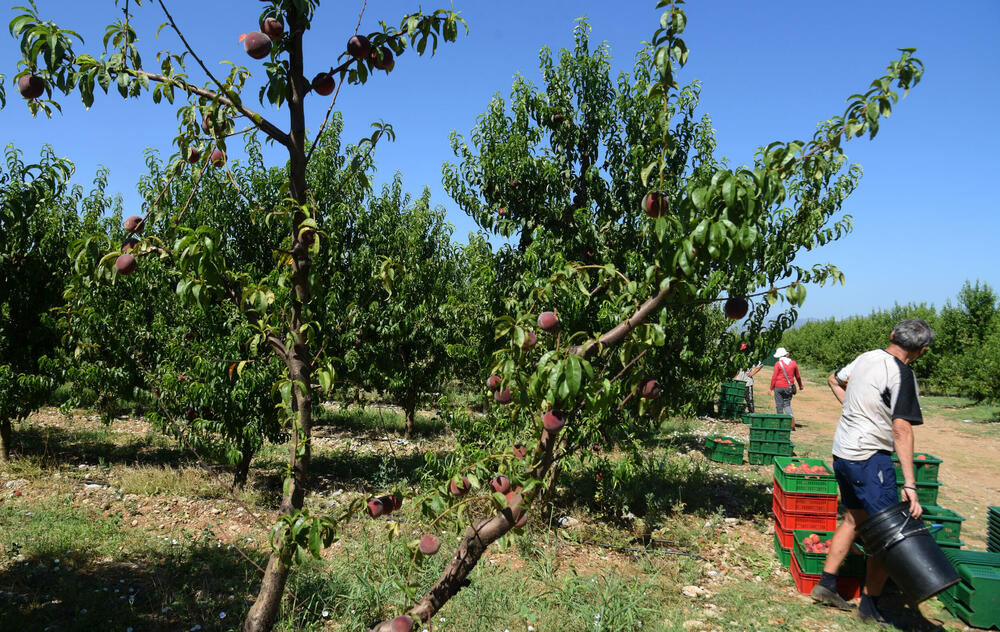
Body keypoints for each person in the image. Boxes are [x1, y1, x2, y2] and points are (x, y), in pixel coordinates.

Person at [809, 318, 933, 625]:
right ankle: (869, 604)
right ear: (921, 350)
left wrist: (854, 410)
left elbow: (834, 379)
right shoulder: (902, 373)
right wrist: (911, 484)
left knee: (854, 518)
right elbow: (902, 429)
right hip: (869, 458)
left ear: (891, 336)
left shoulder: (866, 357)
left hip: (842, 453)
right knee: (886, 533)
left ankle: (826, 584)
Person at [768, 347, 803, 427]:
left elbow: (774, 377)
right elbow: (797, 376)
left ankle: (780, 423)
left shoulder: (778, 364)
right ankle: (791, 420)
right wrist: (800, 385)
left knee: (779, 405)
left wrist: (770, 388)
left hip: (778, 387)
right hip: (789, 387)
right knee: (787, 404)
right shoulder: (793, 363)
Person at [734, 343, 763, 412]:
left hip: (747, 382)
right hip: (739, 381)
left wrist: (752, 373)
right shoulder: (738, 358)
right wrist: (735, 377)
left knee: (749, 399)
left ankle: (751, 413)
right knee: (737, 399)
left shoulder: (751, 358)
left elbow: (760, 365)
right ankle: (738, 412)